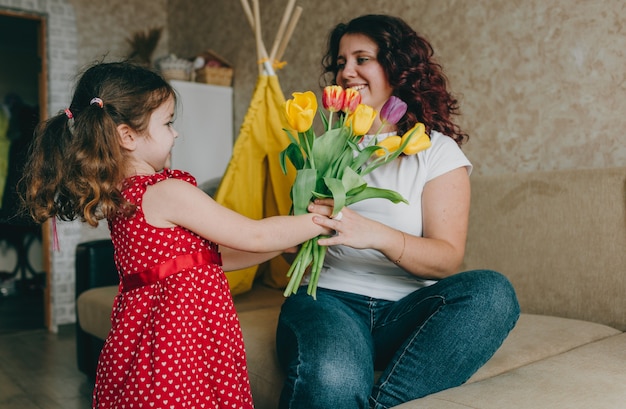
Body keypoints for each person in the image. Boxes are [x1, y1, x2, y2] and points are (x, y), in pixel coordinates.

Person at [21, 61, 331, 409]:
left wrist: (285, 243)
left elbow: (207, 261)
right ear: (128, 136)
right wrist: (320, 220)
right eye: (168, 123)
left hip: (151, 343)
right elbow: (253, 234)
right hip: (182, 343)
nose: (176, 133)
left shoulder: (124, 196)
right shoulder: (166, 191)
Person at [275, 14, 520, 409]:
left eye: (361, 59)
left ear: (396, 68)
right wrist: (299, 228)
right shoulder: (324, 146)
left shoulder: (435, 151)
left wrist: (373, 233)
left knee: (493, 293)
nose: (346, 72)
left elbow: (445, 260)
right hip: (329, 302)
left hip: (408, 314)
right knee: (332, 380)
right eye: (340, 62)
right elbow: (291, 254)